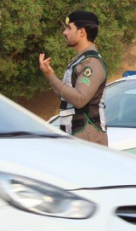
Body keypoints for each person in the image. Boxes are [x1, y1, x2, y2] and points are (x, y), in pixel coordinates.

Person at [39, 11, 108, 146]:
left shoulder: (91, 63)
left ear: (82, 32)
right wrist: (49, 74)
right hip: (77, 133)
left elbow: (79, 99)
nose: (65, 32)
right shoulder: (80, 61)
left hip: (87, 134)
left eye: (69, 28)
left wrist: (51, 76)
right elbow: (67, 98)